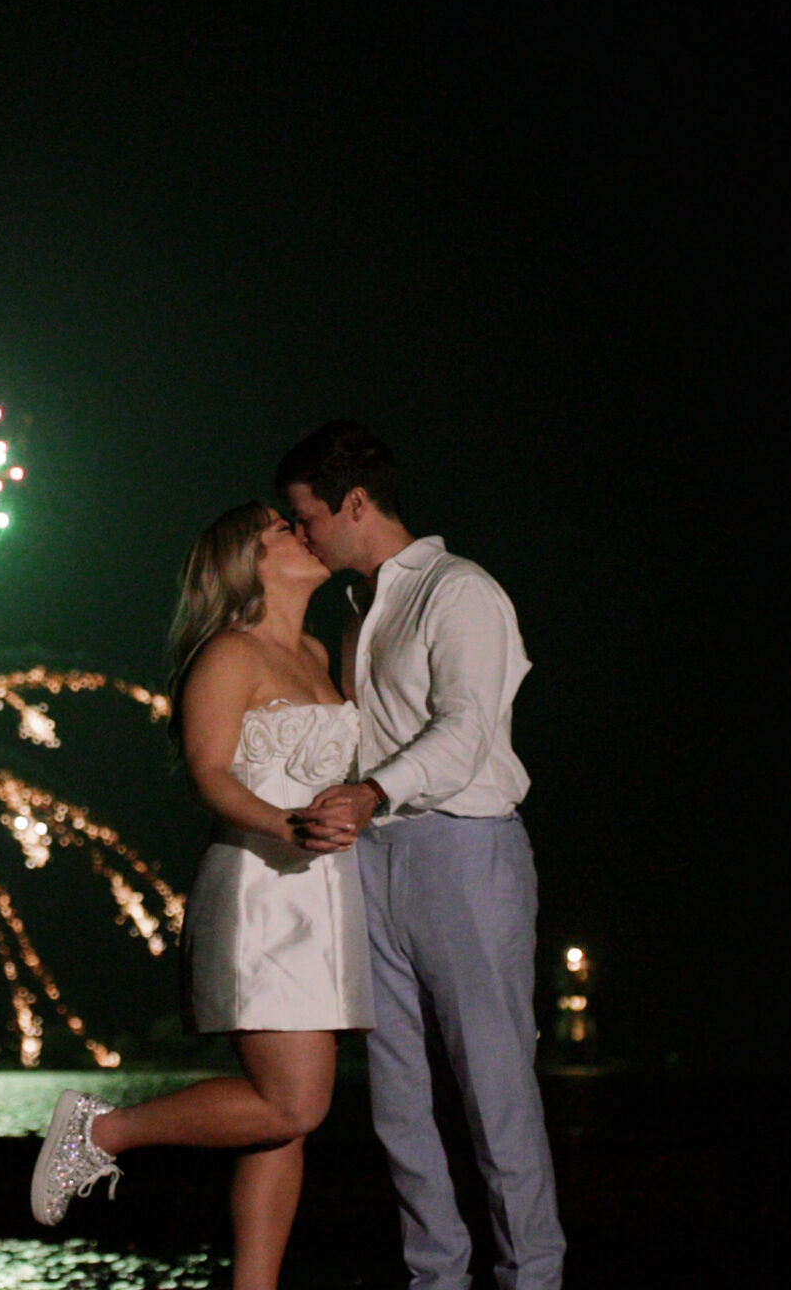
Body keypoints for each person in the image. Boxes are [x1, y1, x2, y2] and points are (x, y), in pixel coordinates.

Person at [30, 500, 373, 1290]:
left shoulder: (319, 651)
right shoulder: (228, 653)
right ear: (247, 562)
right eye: (281, 530)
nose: (301, 531)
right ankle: (103, 1130)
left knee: (279, 1128)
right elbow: (208, 772)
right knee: (295, 1105)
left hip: (324, 896)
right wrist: (286, 825)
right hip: (263, 891)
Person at [280, 421, 565, 1290]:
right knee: (398, 1098)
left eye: (307, 517)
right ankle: (434, 1276)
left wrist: (369, 792)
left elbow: (468, 730)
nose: (301, 535)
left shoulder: (460, 590)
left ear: (354, 502)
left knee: (493, 1087)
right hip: (375, 859)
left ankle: (533, 1277)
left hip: (465, 852)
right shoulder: (362, 607)